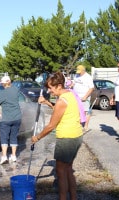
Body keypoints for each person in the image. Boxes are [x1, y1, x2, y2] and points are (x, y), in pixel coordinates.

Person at [31, 71, 83, 200]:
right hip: (76, 136)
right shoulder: (70, 94)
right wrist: (47, 102)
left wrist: (37, 137)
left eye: (51, 88)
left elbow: (51, 126)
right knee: (68, 169)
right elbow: (61, 111)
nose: (49, 91)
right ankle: (74, 197)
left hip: (66, 139)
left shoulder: (61, 101)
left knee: (60, 172)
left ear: (59, 86)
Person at [0, 75, 22, 164]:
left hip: (6, 118)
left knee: (4, 137)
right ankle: (13, 156)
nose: (1, 85)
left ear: (4, 83)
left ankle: (4, 156)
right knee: (13, 136)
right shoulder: (16, 90)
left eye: (2, 83)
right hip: (17, 117)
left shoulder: (2, 93)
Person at [72, 65, 94, 132]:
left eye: (80, 72)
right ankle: (78, 125)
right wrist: (71, 85)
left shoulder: (88, 77)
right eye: (78, 71)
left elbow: (91, 88)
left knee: (85, 112)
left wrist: (85, 96)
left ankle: (85, 126)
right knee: (77, 111)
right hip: (76, 96)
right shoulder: (76, 75)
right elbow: (74, 83)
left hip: (84, 97)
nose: (78, 73)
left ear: (83, 70)